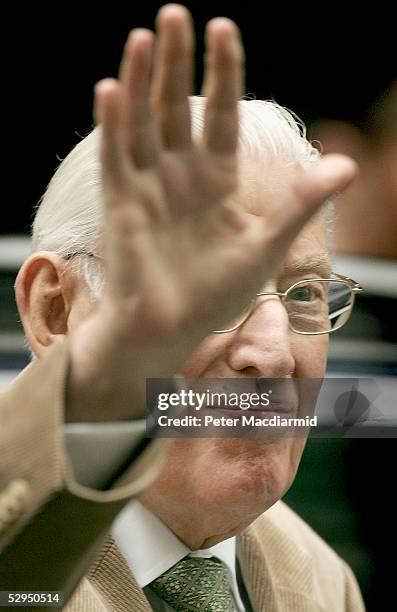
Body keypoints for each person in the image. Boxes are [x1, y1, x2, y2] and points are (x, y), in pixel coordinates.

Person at [0, 4, 364, 611]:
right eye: (209, 296)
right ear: (56, 313)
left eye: (303, 293)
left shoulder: (323, 583)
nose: (273, 355)